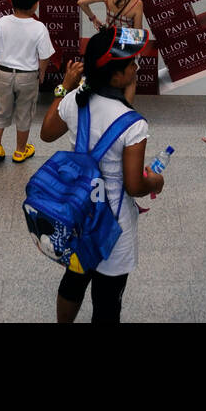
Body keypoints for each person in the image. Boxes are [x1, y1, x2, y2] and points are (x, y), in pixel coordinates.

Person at [39, 27, 163, 324]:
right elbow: (134, 185)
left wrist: (64, 87)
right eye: (132, 63)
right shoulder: (133, 125)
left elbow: (46, 133)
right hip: (114, 225)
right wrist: (156, 181)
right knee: (108, 299)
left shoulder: (75, 100)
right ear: (117, 76)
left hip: (79, 214)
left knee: (75, 279)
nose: (137, 67)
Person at [0, 0, 54, 164]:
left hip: (5, 73)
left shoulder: (2, 22)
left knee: (0, 109)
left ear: (12, 1)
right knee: (24, 112)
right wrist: (42, 72)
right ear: (35, 4)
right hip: (27, 76)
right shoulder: (39, 28)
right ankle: (20, 151)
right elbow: (45, 55)